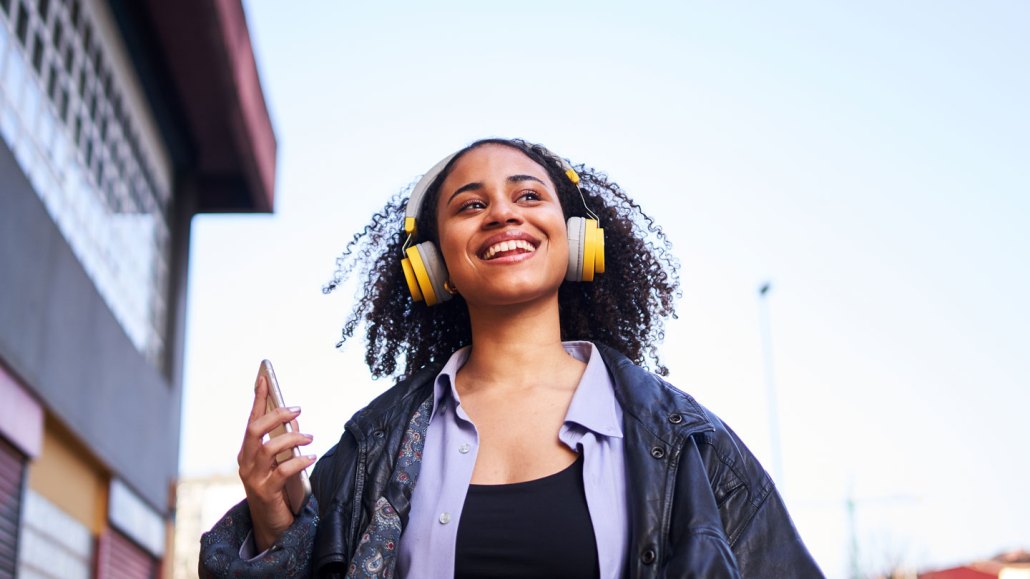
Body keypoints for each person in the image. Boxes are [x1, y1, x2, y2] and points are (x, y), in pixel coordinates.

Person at [199, 138, 824, 578]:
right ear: (434, 265)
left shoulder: (690, 444)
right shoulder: (371, 450)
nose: (502, 212)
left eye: (528, 195)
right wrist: (274, 520)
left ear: (577, 238)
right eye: (471, 205)